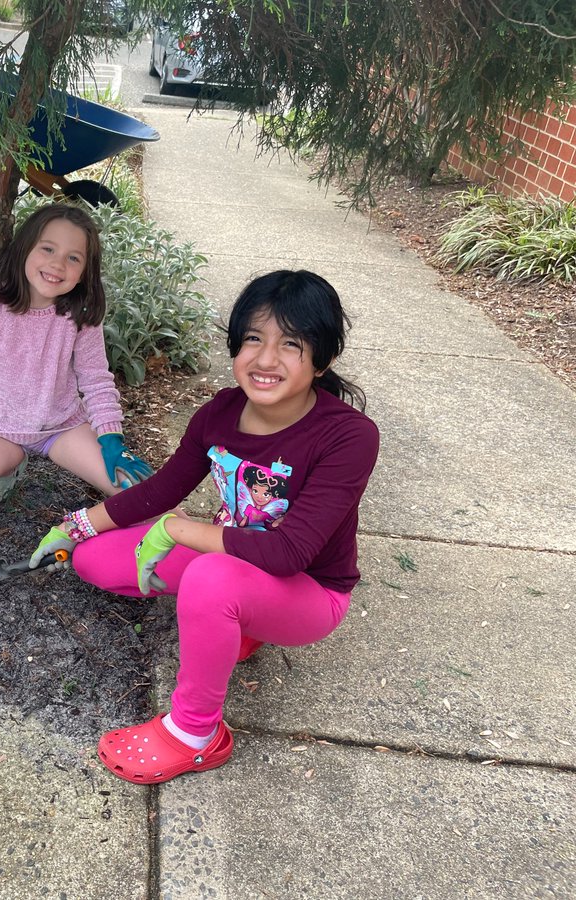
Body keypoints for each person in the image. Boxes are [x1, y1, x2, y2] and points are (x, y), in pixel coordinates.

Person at [29, 269, 380, 785]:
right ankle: (235, 623)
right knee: (94, 560)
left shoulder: (347, 436)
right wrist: (78, 525)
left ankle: (197, 734)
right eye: (253, 339)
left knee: (210, 580)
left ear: (322, 358)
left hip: (309, 591)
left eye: (290, 344)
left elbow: (288, 554)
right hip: (238, 559)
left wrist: (177, 530)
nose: (265, 359)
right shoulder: (221, 411)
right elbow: (163, 488)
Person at [0, 203, 152, 514]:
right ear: (24, 248)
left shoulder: (81, 312)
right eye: (47, 248)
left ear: (86, 269)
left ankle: (204, 541)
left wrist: (112, 439)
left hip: (62, 426)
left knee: (139, 493)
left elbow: (96, 379)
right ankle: (10, 464)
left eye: (73, 257)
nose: (57, 264)